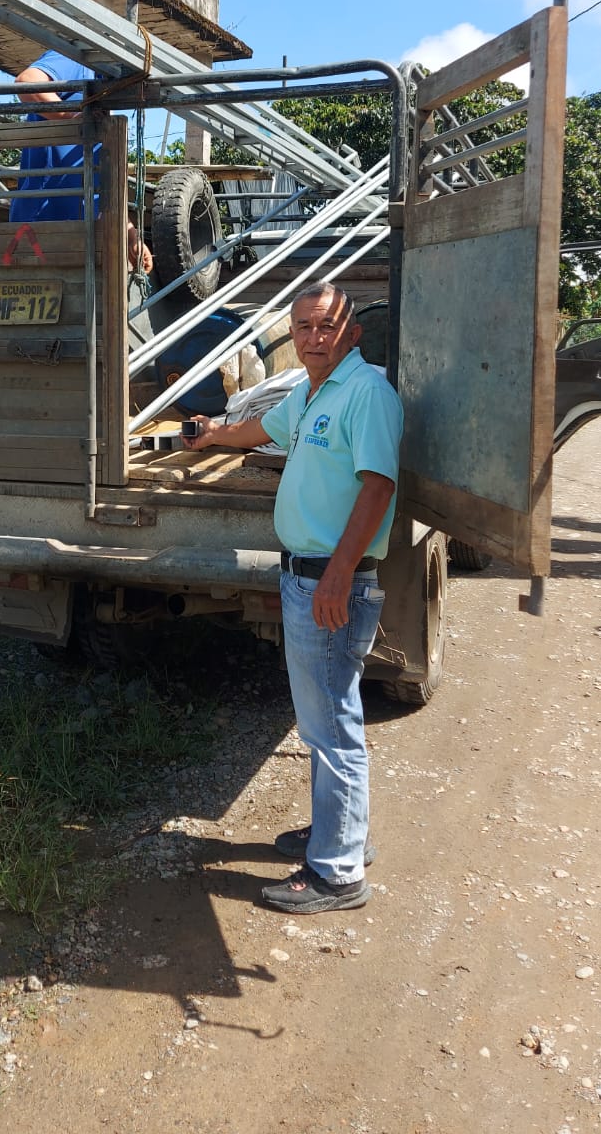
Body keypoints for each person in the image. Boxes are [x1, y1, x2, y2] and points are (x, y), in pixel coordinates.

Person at [184, 281, 402, 914]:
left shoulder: (366, 393)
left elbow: (378, 487)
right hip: (307, 575)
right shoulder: (311, 393)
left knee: (333, 726)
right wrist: (213, 435)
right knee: (321, 722)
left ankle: (337, 874)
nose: (313, 337)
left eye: (326, 326)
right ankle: (339, 834)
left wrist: (339, 572)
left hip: (331, 580)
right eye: (303, 326)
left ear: (352, 333)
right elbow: (259, 428)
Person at [9, 52, 153, 272]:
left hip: (79, 234)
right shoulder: (79, 61)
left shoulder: (102, 95)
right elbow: (27, 83)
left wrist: (131, 235)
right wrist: (71, 117)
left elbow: (102, 188)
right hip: (42, 225)